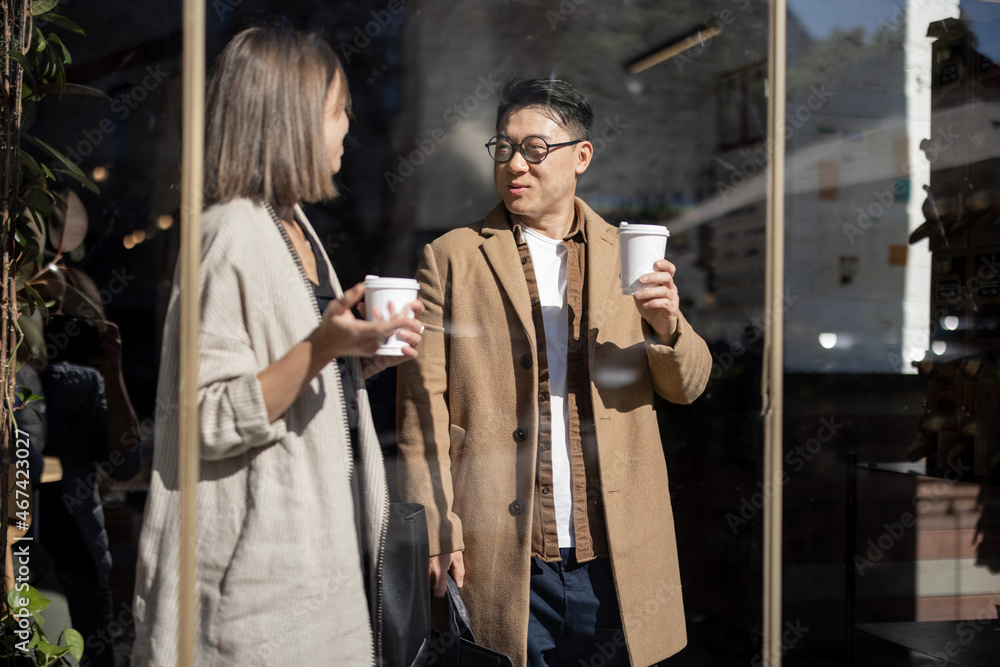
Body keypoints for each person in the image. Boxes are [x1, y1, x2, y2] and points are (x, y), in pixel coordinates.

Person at [131, 26, 423, 666]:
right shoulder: (230, 234)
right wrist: (323, 349)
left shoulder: (293, 226)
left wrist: (356, 362)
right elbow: (204, 419)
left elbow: (285, 379)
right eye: (338, 108)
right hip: (258, 605)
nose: (350, 124)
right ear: (292, 118)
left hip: (320, 579)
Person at [396, 78, 712, 667]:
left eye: (536, 149)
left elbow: (688, 385)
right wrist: (436, 524)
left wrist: (667, 327)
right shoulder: (454, 257)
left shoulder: (628, 254)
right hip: (503, 546)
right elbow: (422, 409)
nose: (516, 164)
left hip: (616, 550)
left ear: (581, 156)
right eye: (504, 148)